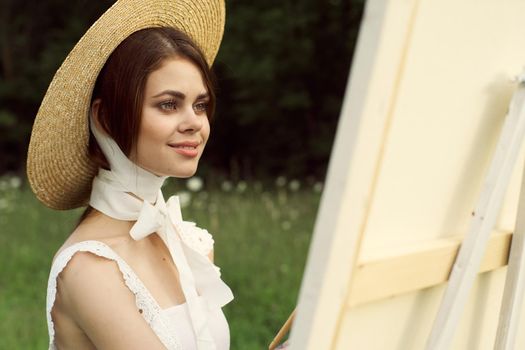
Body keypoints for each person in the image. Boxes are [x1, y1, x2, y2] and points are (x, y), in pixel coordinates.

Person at [26, 1, 233, 349]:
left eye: (200, 105)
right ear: (105, 118)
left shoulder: (189, 243)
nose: (195, 122)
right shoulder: (90, 267)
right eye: (169, 104)